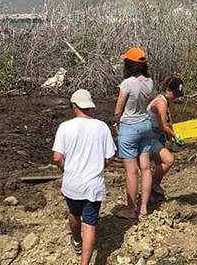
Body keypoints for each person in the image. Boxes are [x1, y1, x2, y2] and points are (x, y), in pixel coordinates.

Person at [53, 89, 116, 265]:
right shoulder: (102, 127)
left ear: (74, 106)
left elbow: (57, 157)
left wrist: (66, 169)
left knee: (74, 212)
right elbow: (111, 155)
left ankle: (77, 242)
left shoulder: (65, 127)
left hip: (72, 182)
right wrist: (99, 167)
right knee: (90, 222)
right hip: (93, 184)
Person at [114, 47, 154, 220]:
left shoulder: (127, 83)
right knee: (145, 168)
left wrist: (116, 121)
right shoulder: (150, 82)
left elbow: (118, 109)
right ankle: (143, 207)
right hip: (146, 125)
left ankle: (130, 210)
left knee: (131, 171)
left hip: (129, 126)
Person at [148, 77, 185, 196]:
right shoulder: (161, 102)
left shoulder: (169, 101)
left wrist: (188, 128)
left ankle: (153, 185)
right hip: (150, 134)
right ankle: (152, 184)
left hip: (158, 134)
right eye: (175, 94)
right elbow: (163, 126)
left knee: (160, 164)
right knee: (168, 160)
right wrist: (176, 135)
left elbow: (175, 116)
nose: (176, 97)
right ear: (167, 90)